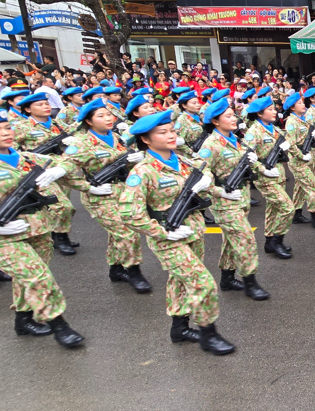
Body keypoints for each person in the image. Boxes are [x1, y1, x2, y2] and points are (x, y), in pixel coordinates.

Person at [119, 110, 234, 355]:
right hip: (167, 237)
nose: (171, 135)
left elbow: (205, 175)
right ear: (146, 140)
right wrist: (160, 232)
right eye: (162, 132)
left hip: (192, 231)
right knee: (202, 283)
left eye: (171, 130)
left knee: (180, 280)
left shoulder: (183, 161)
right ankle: (208, 333)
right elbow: (129, 214)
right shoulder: (142, 172)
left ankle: (179, 328)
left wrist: (212, 187)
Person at [0, 108, 85, 348]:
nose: (5, 133)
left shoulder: (27, 158)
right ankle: (60, 326)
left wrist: (60, 169)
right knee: (39, 276)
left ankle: (23, 320)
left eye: (7, 127)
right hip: (2, 239)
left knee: (28, 277)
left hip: (37, 229)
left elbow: (67, 159)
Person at [63, 98, 152, 293]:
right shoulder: (81, 143)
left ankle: (116, 268)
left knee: (117, 232)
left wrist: (135, 159)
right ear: (89, 121)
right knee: (126, 232)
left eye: (108, 114)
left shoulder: (116, 138)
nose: (107, 118)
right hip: (99, 196)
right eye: (100, 116)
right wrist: (87, 187)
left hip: (120, 191)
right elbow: (64, 171)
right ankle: (134, 271)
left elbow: (122, 163)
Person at [199, 99, 269, 300]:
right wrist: (218, 191)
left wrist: (261, 167)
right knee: (245, 238)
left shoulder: (235, 139)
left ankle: (227, 278)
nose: (234, 118)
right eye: (228, 116)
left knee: (231, 241)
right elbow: (200, 177)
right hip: (224, 202)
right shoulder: (210, 145)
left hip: (241, 197)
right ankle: (250, 281)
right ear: (215, 121)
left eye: (233, 114)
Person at [13, 92, 78, 255]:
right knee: (63, 206)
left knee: (64, 204)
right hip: (40, 172)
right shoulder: (22, 127)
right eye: (40, 105)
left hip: (60, 169)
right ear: (28, 109)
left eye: (46, 104)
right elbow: (12, 148)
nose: (46, 107)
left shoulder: (57, 124)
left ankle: (58, 235)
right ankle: (60, 237)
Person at [244, 96, 295, 259]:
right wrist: (261, 169)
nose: (275, 111)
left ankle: (268, 241)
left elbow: (287, 138)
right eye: (271, 109)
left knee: (273, 209)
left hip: (278, 173)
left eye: (274, 109)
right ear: (260, 113)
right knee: (287, 208)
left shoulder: (274, 128)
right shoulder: (254, 132)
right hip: (265, 177)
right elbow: (246, 157)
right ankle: (277, 240)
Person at [282, 92, 315, 229]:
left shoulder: (302, 119)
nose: (303, 104)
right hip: (298, 161)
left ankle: (297, 214)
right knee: (313, 187)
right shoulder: (292, 122)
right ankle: (314, 215)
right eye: (299, 103)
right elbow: (290, 144)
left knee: (299, 188)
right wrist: (301, 155)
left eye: (302, 102)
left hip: (306, 157)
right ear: (292, 108)